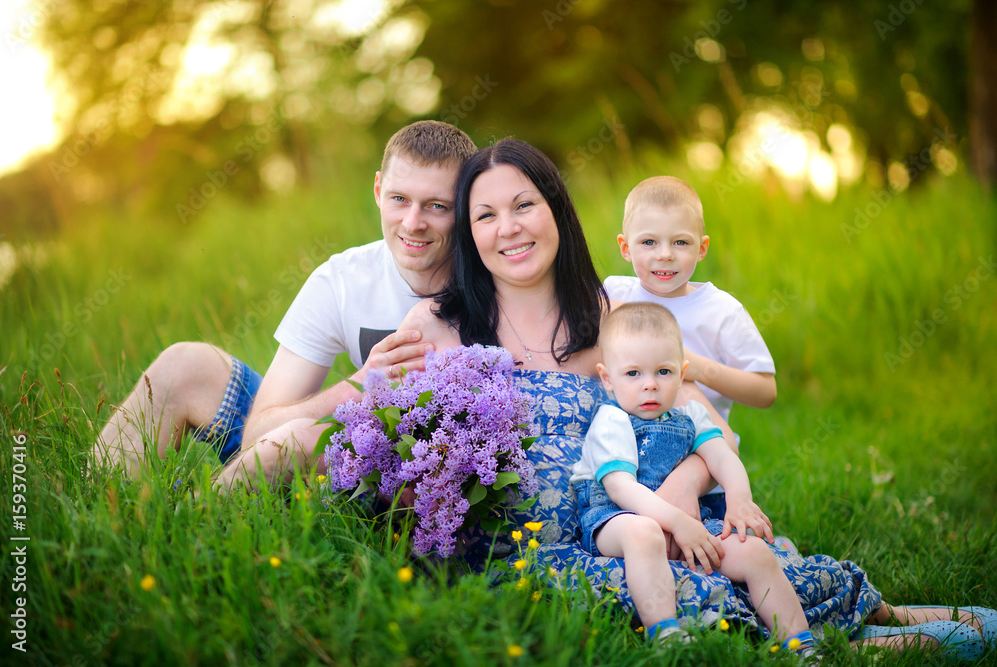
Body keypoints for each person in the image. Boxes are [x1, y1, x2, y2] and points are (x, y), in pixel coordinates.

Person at [215, 137, 993, 660]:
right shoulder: (438, 327)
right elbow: (384, 443)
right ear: (469, 238)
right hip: (532, 550)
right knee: (742, 608)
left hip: (642, 518)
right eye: (485, 214)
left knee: (783, 572)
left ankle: (937, 620)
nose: (508, 228)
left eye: (524, 205)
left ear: (557, 210)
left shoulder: (614, 314)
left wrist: (679, 501)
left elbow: (701, 423)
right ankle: (920, 639)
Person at [93, 120, 477, 478]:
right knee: (184, 366)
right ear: (377, 191)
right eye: (399, 199)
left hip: (426, 476)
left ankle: (195, 514)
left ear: (464, 205)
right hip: (337, 449)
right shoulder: (342, 279)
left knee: (303, 438)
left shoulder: (496, 280)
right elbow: (258, 432)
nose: (412, 223)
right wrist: (363, 384)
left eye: (436, 206)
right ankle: (100, 516)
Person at [571, 302, 814, 652]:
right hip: (614, 518)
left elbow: (722, 457)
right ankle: (665, 633)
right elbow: (621, 488)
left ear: (682, 373)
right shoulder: (612, 422)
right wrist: (676, 523)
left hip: (688, 521)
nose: (650, 386)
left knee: (756, 553)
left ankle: (799, 644)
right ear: (608, 379)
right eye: (633, 374)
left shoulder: (691, 414)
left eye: (664, 372)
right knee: (645, 532)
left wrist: (739, 497)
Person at [604, 175, 776, 523]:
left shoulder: (721, 311)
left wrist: (699, 369)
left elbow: (765, 391)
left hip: (701, 461)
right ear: (625, 247)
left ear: (702, 247)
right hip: (629, 460)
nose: (665, 255)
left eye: (680, 242)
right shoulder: (614, 295)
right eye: (649, 242)